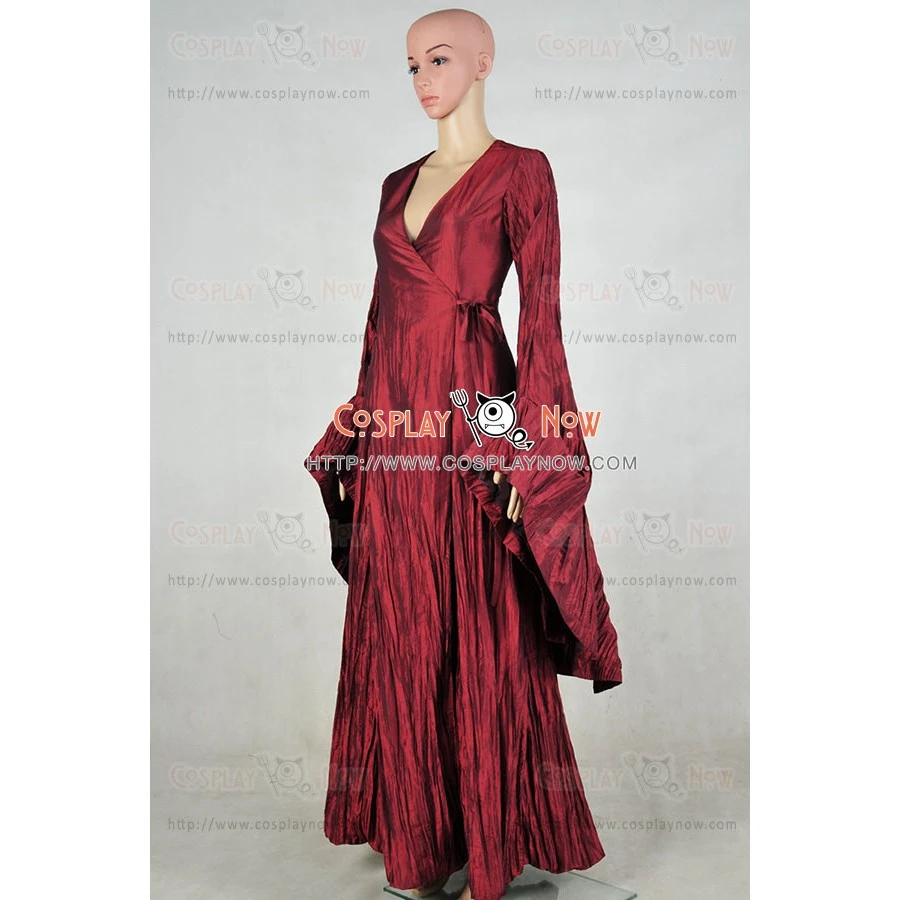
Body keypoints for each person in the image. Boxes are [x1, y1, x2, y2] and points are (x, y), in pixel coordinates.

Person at [305, 9, 622, 900]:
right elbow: (379, 324)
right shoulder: (394, 183)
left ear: (484, 62)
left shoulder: (523, 172)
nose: (423, 80)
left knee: (482, 613)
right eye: (411, 65)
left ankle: (488, 833)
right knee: (404, 615)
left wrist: (532, 452)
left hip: (473, 415)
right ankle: (419, 839)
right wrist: (355, 432)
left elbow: (542, 321)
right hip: (396, 426)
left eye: (439, 59)